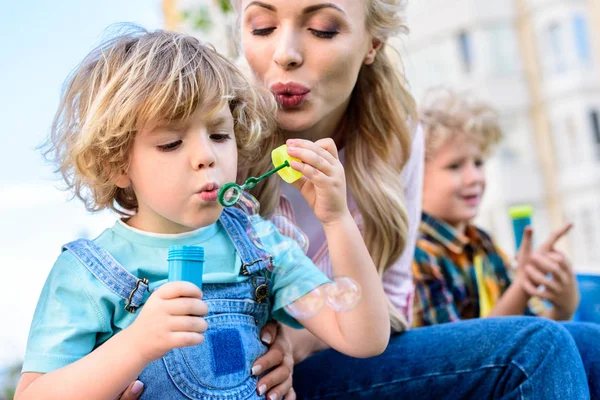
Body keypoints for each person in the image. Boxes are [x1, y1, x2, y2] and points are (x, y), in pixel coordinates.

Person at [119, 1, 592, 399]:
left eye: (323, 28)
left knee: (588, 341)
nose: (284, 54)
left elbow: (389, 304)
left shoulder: (397, 132)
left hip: (344, 344)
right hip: (255, 375)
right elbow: (145, 276)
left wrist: (301, 340)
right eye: (261, 27)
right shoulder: (216, 136)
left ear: (372, 44)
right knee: (539, 346)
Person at [14, 27, 392, 400]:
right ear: (117, 164)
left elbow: (363, 337)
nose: (206, 156)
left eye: (219, 135)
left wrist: (336, 219)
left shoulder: (259, 243)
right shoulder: (88, 273)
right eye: (171, 142)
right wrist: (134, 345)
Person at [412, 86, 600, 397]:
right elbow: (460, 357)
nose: (474, 177)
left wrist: (564, 306)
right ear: (413, 177)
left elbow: (538, 340)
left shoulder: (483, 243)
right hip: (455, 385)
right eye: (455, 166)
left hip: (499, 376)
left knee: (589, 343)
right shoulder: (417, 252)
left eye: (479, 162)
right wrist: (522, 286)